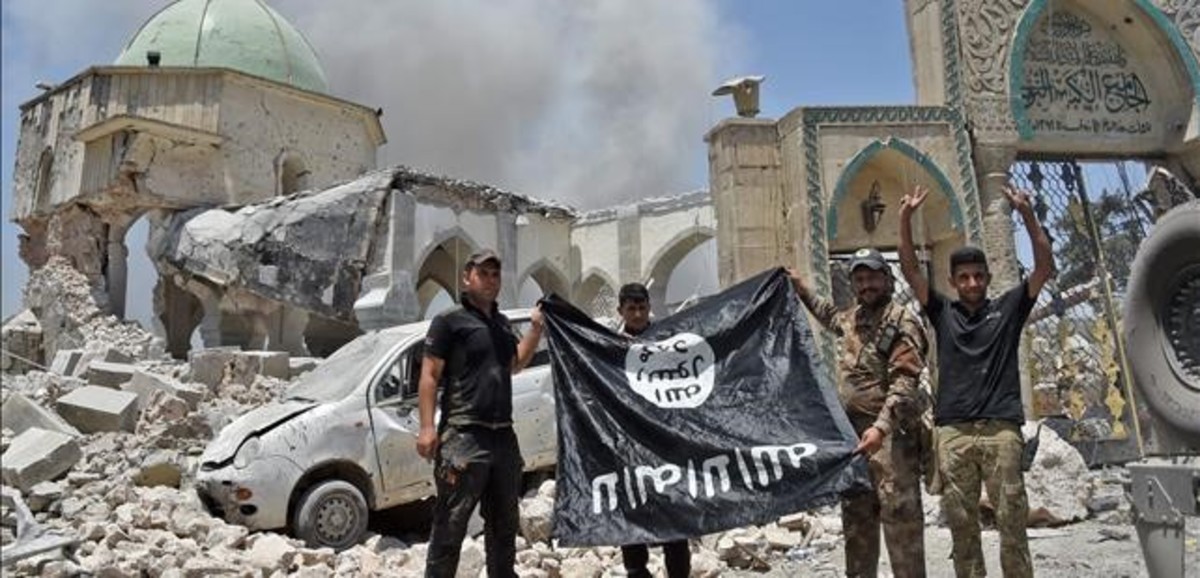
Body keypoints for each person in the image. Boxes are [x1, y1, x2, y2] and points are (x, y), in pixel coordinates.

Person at [898, 183, 1052, 578]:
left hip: (1001, 429)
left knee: (1012, 524)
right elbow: (910, 270)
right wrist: (904, 219)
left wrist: (1027, 215)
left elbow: (1044, 268)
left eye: (977, 276)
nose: (971, 284)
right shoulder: (942, 312)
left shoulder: (1009, 308)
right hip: (954, 433)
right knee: (963, 529)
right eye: (963, 277)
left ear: (987, 277)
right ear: (953, 281)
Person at [789, 249, 928, 578]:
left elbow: (904, 384)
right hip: (855, 439)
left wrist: (879, 429)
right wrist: (801, 288)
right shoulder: (855, 318)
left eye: (873, 277)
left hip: (892, 439)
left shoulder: (901, 322)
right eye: (860, 279)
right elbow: (830, 316)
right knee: (858, 522)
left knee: (901, 523)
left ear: (886, 278)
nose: (867, 285)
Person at [416, 249, 546, 578]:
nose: (490, 280)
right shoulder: (449, 322)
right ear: (467, 277)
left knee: (504, 529)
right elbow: (429, 375)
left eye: (495, 274)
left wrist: (534, 331)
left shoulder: (501, 324)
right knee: (450, 528)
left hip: (503, 437)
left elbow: (514, 364)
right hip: (463, 437)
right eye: (483, 273)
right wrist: (427, 427)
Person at [613, 282, 692, 578]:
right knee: (632, 509)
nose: (636, 314)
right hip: (629, 445)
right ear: (620, 310)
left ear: (649, 308)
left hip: (665, 443)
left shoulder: (665, 343)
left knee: (674, 514)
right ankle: (636, 570)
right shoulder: (608, 346)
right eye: (630, 308)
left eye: (641, 308)